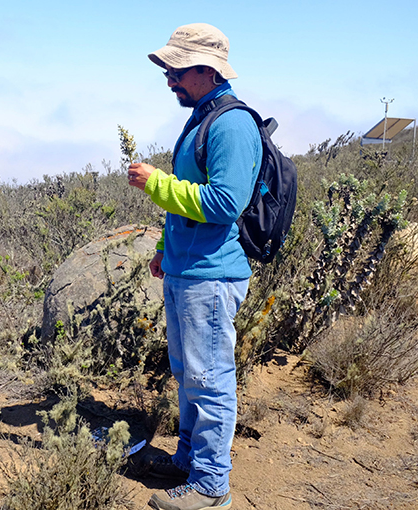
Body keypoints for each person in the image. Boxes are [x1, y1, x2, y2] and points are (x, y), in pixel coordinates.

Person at [128, 23, 262, 510]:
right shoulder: (203, 116)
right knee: (188, 374)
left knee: (209, 379)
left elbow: (224, 201)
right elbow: (187, 199)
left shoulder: (231, 123)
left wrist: (157, 184)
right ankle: (188, 461)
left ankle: (210, 485)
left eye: (177, 71)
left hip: (213, 274)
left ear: (208, 71)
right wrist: (167, 249)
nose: (170, 81)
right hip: (188, 270)